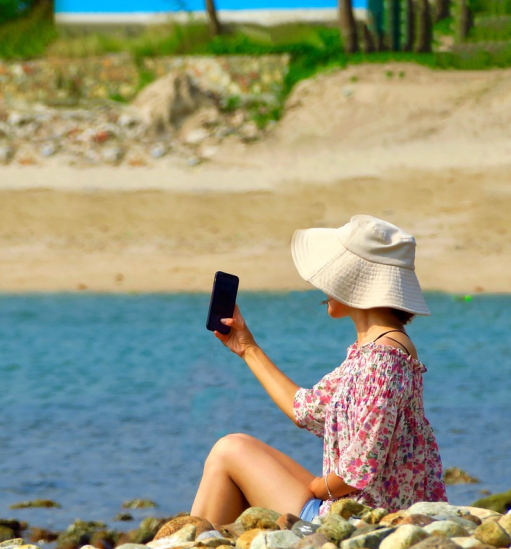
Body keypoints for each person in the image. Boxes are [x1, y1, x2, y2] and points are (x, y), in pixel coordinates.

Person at [191, 215, 447, 526]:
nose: (320, 285)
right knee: (233, 450)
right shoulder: (373, 352)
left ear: (352, 280)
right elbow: (306, 409)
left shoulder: (383, 360)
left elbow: (360, 467)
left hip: (359, 520)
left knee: (228, 450)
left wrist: (318, 488)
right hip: (360, 510)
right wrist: (248, 348)